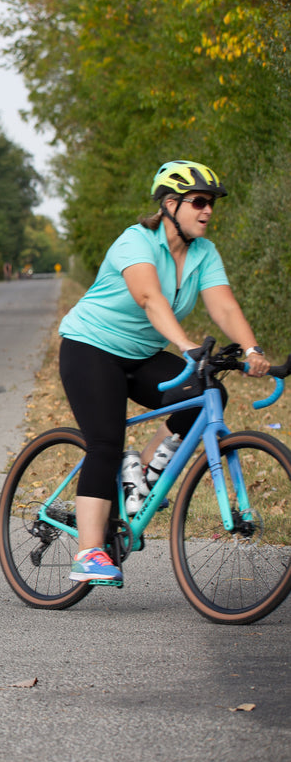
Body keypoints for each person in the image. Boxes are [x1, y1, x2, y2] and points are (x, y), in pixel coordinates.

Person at [56, 160, 270, 584]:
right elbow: (149, 298)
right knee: (105, 442)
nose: (208, 210)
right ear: (171, 204)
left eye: (211, 203)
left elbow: (224, 305)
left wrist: (251, 349)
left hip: (141, 354)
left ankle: (141, 476)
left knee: (207, 394)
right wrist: (186, 345)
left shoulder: (204, 253)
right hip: (90, 348)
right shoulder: (135, 241)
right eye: (199, 201)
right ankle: (88, 552)